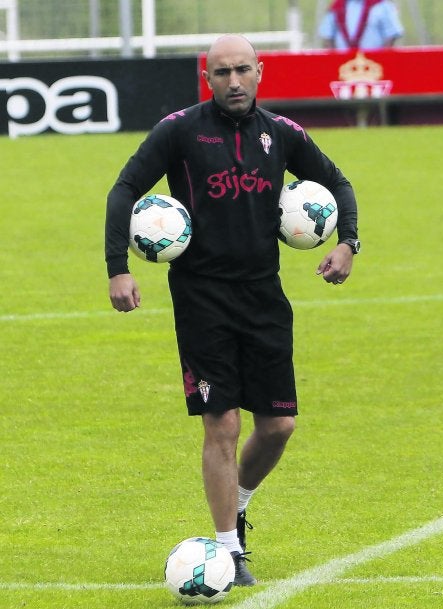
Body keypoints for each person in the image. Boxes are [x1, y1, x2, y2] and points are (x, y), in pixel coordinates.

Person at [105, 34, 360, 586]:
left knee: (279, 426)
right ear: (207, 78)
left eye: (243, 70)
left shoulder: (282, 134)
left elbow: (336, 181)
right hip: (201, 297)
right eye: (222, 73)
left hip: (263, 295)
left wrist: (348, 242)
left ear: (260, 71)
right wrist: (117, 266)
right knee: (221, 423)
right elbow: (125, 188)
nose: (234, 82)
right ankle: (227, 550)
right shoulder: (179, 130)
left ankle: (238, 506)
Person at [318, 0, 404, 50]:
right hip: (342, 68)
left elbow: (391, 36)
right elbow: (327, 38)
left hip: (375, 65)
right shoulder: (337, 7)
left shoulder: (381, 5)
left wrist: (383, 59)